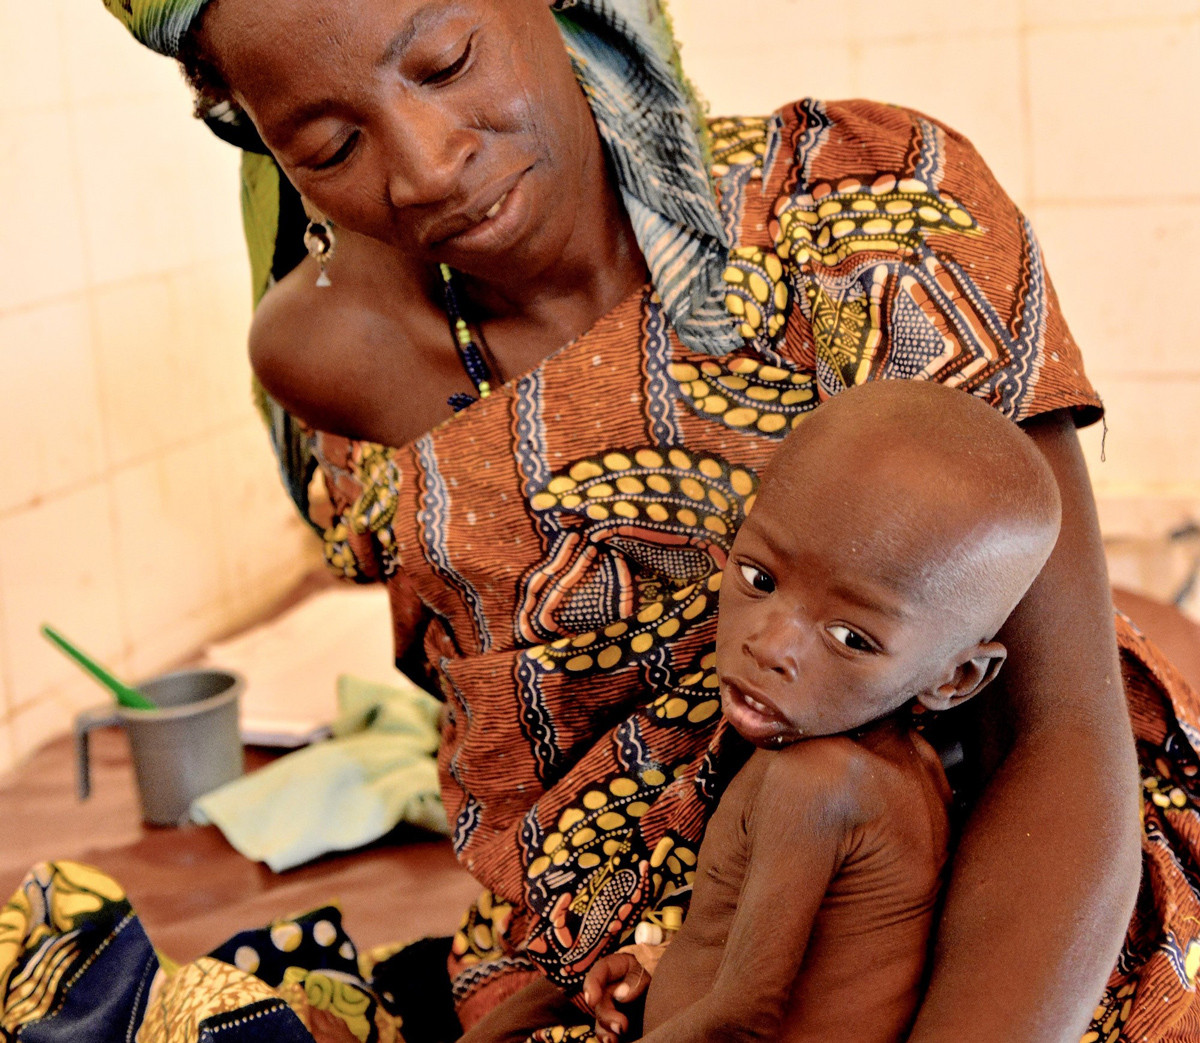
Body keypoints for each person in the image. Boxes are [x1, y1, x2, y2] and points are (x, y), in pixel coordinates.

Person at [6, 0, 1198, 1039]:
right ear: (246, 130)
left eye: (448, 60)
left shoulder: (871, 217)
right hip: (611, 973)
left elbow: (1056, 738)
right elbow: (500, 714)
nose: (424, 166)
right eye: (325, 143)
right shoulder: (324, 360)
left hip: (977, 943)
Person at [485, 379, 1061, 1043]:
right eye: (759, 578)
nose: (770, 645)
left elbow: (744, 1016)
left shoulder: (816, 782)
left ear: (955, 678)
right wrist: (653, 966)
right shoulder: (905, 768)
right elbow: (809, 962)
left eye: (852, 638)